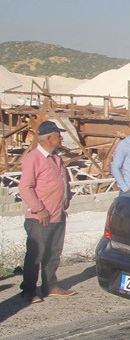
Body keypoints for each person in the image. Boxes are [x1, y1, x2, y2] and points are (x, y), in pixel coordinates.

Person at [17, 120, 77, 303]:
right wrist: (40, 209)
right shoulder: (33, 158)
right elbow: (25, 187)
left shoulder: (57, 158)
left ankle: (50, 286)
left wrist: (66, 197)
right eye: (58, 135)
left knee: (53, 253)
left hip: (58, 214)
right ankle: (28, 291)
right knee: (36, 255)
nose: (61, 138)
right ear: (49, 138)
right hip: (40, 217)